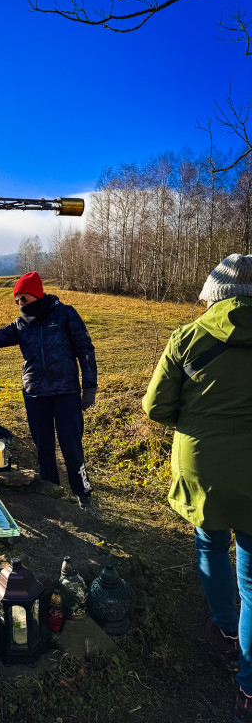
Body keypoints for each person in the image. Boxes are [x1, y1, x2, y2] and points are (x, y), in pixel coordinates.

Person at [142, 254, 252, 723]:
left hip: (202, 465)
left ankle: (226, 632)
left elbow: (155, 406)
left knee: (210, 543)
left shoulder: (188, 337)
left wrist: (194, 422)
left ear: (215, 293)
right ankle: (248, 691)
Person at [0, 272, 98, 515]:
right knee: (43, 447)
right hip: (34, 393)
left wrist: (89, 386)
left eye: (23, 298)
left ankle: (83, 495)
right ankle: (51, 495)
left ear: (37, 293)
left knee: (71, 446)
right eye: (17, 301)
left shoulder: (66, 314)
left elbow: (85, 348)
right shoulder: (20, 324)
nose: (21, 304)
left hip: (66, 391)